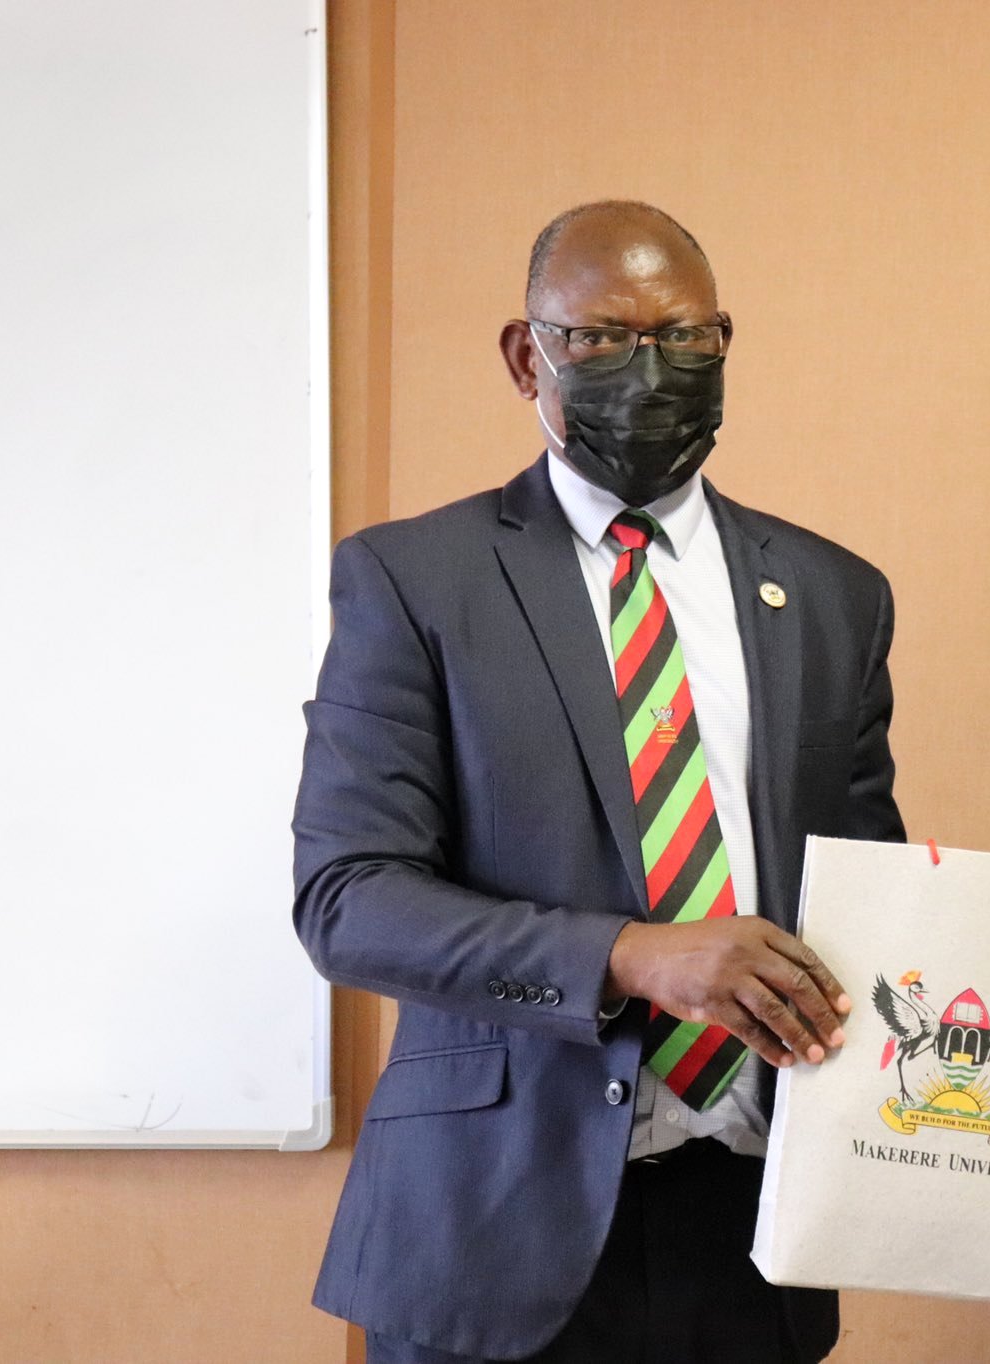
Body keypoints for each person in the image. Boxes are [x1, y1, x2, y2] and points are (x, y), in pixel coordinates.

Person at [292, 200, 903, 1363]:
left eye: (683, 338)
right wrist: (630, 953)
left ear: (725, 343)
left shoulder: (834, 593)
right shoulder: (413, 578)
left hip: (752, 1232)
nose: (650, 368)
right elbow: (349, 898)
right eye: (602, 338)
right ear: (528, 354)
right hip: (489, 1225)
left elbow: (859, 890)